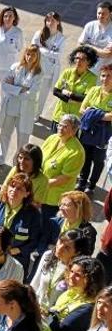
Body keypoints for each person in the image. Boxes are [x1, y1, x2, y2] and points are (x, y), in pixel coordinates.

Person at [39, 114, 86, 253]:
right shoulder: (52, 138)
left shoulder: (77, 152)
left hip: (53, 198)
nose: (61, 128)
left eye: (65, 126)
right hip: (40, 192)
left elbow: (64, 178)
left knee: (48, 228)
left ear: (74, 130)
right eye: (60, 125)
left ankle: (43, 252)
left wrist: (40, 184)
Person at [0, 45, 42, 168]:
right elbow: (4, 86)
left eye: (33, 55)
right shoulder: (15, 67)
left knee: (22, 138)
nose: (30, 57)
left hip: (26, 111)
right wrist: (22, 89)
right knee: (5, 134)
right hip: (12, 108)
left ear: (37, 57)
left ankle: (17, 163)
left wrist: (14, 88)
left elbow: (31, 94)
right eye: (28, 54)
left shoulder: (39, 74)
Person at [77, 64, 112, 194]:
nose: (105, 79)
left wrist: (93, 112)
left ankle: (91, 185)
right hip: (88, 131)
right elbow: (82, 109)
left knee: (98, 160)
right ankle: (82, 181)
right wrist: (102, 114)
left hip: (104, 135)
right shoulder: (93, 90)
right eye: (103, 75)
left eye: (109, 76)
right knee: (85, 157)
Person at [53, 47, 99, 130]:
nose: (78, 61)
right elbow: (56, 91)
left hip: (75, 121)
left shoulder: (92, 78)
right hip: (59, 115)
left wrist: (68, 93)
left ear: (89, 62)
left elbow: (84, 98)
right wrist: (71, 99)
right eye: (77, 58)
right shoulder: (67, 72)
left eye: (83, 59)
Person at [34, 11, 67, 119]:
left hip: (49, 72)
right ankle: (28, 112)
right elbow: (33, 49)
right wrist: (50, 53)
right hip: (37, 68)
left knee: (42, 96)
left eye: (53, 20)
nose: (50, 22)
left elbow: (59, 55)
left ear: (58, 22)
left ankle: (36, 115)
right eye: (48, 20)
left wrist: (42, 50)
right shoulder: (39, 34)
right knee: (32, 92)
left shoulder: (61, 38)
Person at [79, 1, 112, 72]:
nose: (100, 16)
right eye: (99, 13)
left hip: (104, 70)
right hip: (86, 66)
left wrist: (88, 46)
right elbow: (79, 45)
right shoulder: (90, 25)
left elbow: (107, 54)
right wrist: (100, 50)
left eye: (104, 13)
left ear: (110, 14)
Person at [0, 6, 25, 75]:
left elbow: (20, 48)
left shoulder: (18, 32)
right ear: (2, 18)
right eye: (5, 16)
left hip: (10, 66)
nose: (8, 18)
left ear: (14, 18)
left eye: (10, 16)